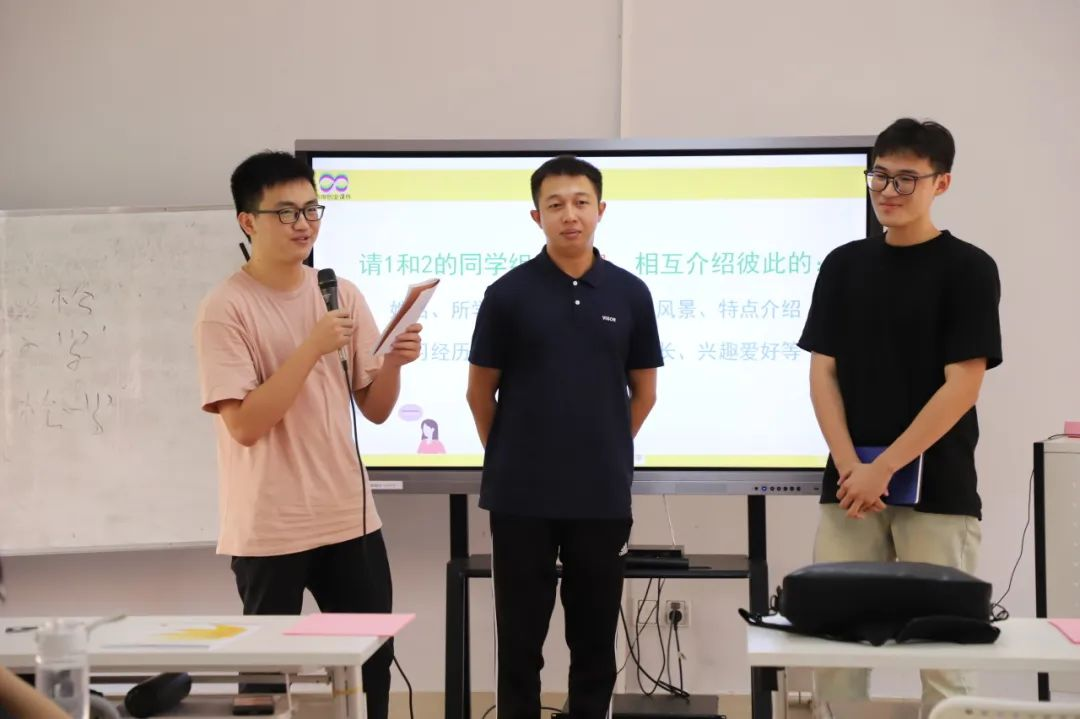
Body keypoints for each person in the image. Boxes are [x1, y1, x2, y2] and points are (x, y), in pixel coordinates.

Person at [194, 151, 423, 719]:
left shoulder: (338, 292)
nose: (303, 224)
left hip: (348, 517)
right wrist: (312, 347)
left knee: (370, 668)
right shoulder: (226, 308)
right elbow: (245, 425)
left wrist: (394, 360)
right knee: (266, 682)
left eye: (311, 210)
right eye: (286, 212)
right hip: (270, 527)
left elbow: (375, 409)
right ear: (247, 221)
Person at [797, 119, 1002, 718]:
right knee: (834, 643)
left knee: (946, 652)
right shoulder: (843, 265)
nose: (889, 190)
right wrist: (850, 467)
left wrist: (881, 468)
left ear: (942, 183)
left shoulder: (968, 268)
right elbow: (823, 373)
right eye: (880, 176)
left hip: (937, 486)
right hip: (849, 489)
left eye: (906, 178)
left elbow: (962, 385)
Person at [466, 155, 663, 718]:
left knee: (595, 642)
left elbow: (644, 393)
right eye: (555, 205)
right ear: (537, 216)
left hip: (600, 497)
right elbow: (479, 394)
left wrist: (601, 448)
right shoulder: (507, 294)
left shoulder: (630, 292)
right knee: (519, 642)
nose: (569, 215)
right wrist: (515, 456)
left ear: (601, 210)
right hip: (520, 498)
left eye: (581, 203)